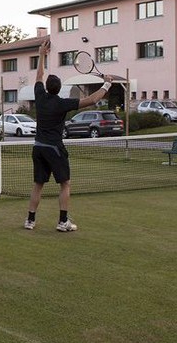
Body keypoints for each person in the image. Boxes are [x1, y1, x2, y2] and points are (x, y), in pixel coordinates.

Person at [25, 38, 113, 232]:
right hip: (54, 149)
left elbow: (39, 75)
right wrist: (107, 85)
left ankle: (30, 221)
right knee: (65, 184)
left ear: (47, 87)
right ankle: (63, 221)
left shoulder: (39, 96)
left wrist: (41, 55)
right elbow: (91, 99)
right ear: (59, 88)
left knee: (38, 184)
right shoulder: (62, 103)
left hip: (38, 147)